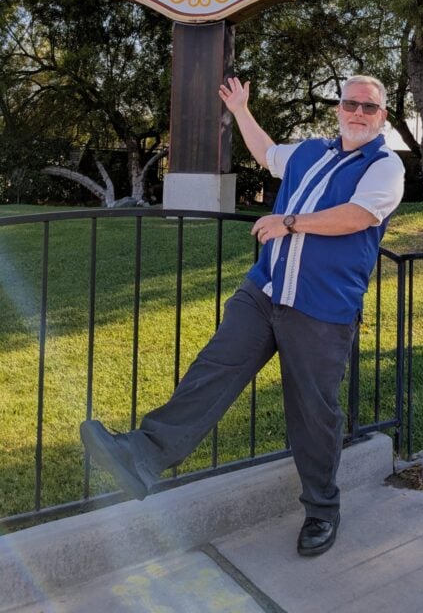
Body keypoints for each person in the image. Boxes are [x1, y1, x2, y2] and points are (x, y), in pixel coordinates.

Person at [80, 74, 404, 557]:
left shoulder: (385, 165)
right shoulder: (310, 151)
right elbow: (267, 153)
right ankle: (141, 456)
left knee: (313, 414)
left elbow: (358, 216)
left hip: (322, 307)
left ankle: (321, 510)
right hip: (264, 291)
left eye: (369, 108)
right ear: (338, 108)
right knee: (213, 370)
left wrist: (289, 222)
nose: (358, 113)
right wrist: (240, 109)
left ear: (382, 117)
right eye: (350, 104)